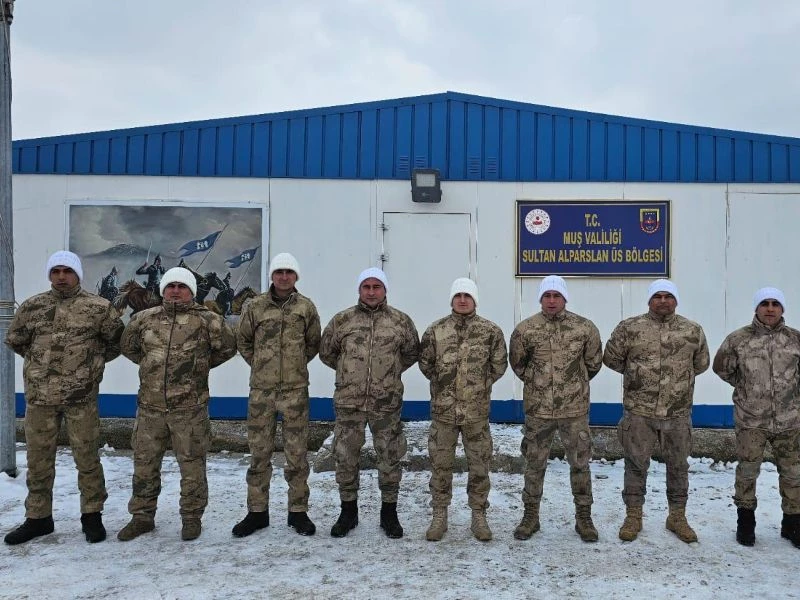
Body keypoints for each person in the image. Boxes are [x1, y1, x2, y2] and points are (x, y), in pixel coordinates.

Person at [4, 250, 124, 545]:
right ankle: (38, 518)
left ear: (77, 274)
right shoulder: (33, 306)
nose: (61, 277)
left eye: (67, 271)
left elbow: (117, 342)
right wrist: (41, 366)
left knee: (87, 458)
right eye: (55, 271)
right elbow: (17, 340)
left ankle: (92, 516)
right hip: (40, 399)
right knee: (38, 460)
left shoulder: (99, 308)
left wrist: (89, 364)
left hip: (80, 397)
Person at [117, 267, 236, 542]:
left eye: (182, 287)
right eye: (171, 286)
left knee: (192, 466)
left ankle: (191, 517)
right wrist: (152, 365)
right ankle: (142, 516)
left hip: (189, 409)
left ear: (191, 291)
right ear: (163, 290)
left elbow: (227, 348)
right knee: (144, 465)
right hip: (150, 408)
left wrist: (198, 366)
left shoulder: (208, 320)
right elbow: (129, 347)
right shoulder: (144, 319)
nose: (175, 291)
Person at [603, 279, 709, 543]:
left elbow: (701, 363)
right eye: (657, 296)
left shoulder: (692, 331)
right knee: (635, 465)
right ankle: (633, 516)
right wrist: (638, 377)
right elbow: (612, 358)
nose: (663, 301)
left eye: (668, 296)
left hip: (677, 413)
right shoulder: (629, 328)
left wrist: (676, 383)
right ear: (649, 300)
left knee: (678, 466)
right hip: (640, 412)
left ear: (676, 300)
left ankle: (677, 517)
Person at [319, 267, 419, 539]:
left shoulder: (400, 321)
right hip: (349, 402)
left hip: (386, 403)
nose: (372, 292)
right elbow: (327, 353)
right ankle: (348, 512)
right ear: (359, 290)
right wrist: (350, 374)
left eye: (377, 287)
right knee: (345, 456)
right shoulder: (343, 321)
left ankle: (389, 513)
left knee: (389, 456)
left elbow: (411, 353)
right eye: (367, 286)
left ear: (385, 290)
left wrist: (387, 374)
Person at [232, 253, 321, 538]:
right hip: (262, 391)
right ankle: (257, 512)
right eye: (279, 272)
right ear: (272, 275)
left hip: (295, 392)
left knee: (297, 454)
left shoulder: (306, 307)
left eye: (289, 272)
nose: (284, 277)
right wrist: (262, 364)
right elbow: (243, 341)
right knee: (259, 454)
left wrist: (294, 365)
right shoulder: (255, 306)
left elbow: (313, 344)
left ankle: (298, 511)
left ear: (296, 276)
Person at [508, 275, 603, 542]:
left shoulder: (584, 328)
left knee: (580, 464)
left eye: (556, 295)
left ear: (564, 298)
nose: (551, 300)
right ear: (541, 299)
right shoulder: (525, 330)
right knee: (534, 464)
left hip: (574, 411)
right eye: (547, 296)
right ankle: (530, 516)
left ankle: (584, 518)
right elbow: (518, 364)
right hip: (538, 411)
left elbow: (593, 363)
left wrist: (572, 386)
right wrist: (538, 383)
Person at [418, 278, 507, 542]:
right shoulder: (436, 330)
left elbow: (498, 365)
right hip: (443, 413)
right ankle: (439, 514)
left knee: (479, 466)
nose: (462, 300)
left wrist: (478, 387)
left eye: (467, 295)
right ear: (452, 299)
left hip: (476, 413)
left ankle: (478, 515)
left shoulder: (490, 331)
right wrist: (444, 388)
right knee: (440, 465)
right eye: (458, 295)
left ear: (475, 300)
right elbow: (426, 364)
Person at [712, 287, 800, 548]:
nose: (770, 308)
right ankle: (746, 522)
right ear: (756, 308)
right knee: (747, 472)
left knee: (794, 474)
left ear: (782, 308)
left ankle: (792, 524)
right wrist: (747, 388)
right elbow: (722, 368)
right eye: (765, 303)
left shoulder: (795, 339)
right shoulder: (738, 339)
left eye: (775, 304)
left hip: (790, 420)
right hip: (751, 420)